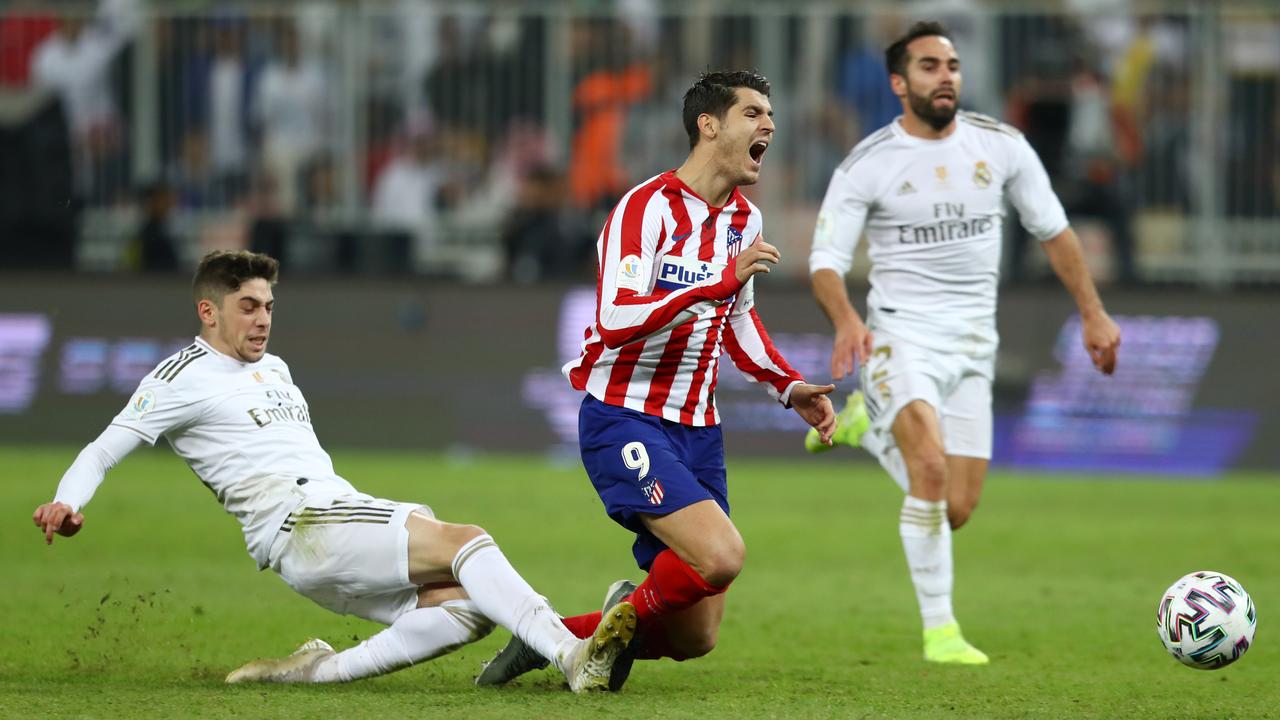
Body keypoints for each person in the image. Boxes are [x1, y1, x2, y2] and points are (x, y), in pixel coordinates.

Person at [31, 249, 635, 692]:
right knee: (468, 541)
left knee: (470, 606)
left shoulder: (277, 367)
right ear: (208, 312)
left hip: (327, 523)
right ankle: (570, 654)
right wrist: (66, 500)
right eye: (247, 306)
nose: (263, 319)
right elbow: (104, 447)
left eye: (268, 305)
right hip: (301, 522)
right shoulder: (179, 377)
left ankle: (316, 672)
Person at [476, 70, 837, 690]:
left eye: (769, 115)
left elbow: (738, 317)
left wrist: (788, 386)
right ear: (709, 124)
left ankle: (552, 635)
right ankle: (589, 641)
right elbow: (615, 320)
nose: (769, 125)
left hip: (699, 429)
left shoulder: (743, 221)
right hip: (625, 415)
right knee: (722, 557)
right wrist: (713, 284)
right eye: (753, 113)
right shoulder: (645, 208)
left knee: (695, 636)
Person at [804, 21, 1121, 664]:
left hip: (975, 343)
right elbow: (824, 262)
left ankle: (866, 427)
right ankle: (941, 631)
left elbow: (1055, 232)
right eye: (928, 66)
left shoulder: (1001, 146)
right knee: (929, 469)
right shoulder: (869, 162)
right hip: (900, 336)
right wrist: (845, 320)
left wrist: (1093, 314)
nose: (944, 75)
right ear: (899, 83)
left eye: (950, 65)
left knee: (954, 507)